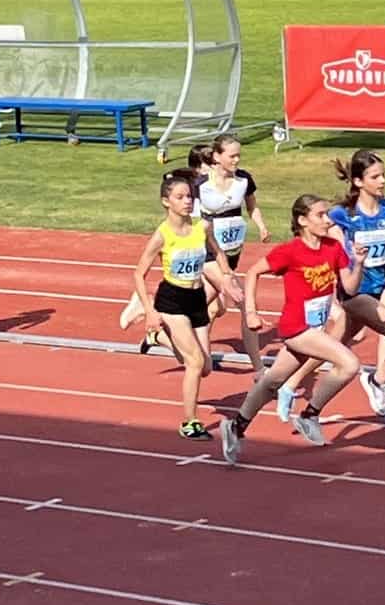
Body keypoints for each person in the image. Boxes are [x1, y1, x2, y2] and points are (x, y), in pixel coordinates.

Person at [276, 150, 385, 437]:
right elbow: (314, 241)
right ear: (358, 181)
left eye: (383, 175)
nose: (382, 181)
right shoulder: (343, 216)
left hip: (379, 287)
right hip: (354, 293)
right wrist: (341, 246)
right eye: (375, 176)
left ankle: (294, 391)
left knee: (333, 344)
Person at [219, 194, 368, 464]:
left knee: (271, 382)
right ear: (302, 221)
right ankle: (310, 415)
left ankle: (236, 425)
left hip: (316, 327)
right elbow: (253, 272)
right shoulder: (290, 251)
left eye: (327, 214)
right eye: (320, 215)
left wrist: (358, 263)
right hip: (297, 327)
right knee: (349, 363)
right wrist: (251, 312)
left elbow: (350, 287)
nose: (327, 220)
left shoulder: (333, 248)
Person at [132, 173, 232, 439]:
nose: (187, 201)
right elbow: (138, 274)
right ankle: (189, 422)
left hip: (196, 298)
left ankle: (157, 338)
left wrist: (228, 277)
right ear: (166, 202)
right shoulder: (162, 235)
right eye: (180, 197)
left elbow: (219, 253)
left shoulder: (202, 228)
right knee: (195, 362)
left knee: (206, 368)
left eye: (189, 196)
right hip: (172, 300)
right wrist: (150, 311)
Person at [196, 134, 270, 372]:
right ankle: (259, 370)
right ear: (217, 157)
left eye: (239, 155)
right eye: (232, 156)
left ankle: (164, 328)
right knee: (242, 301)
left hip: (232, 250)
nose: (237, 160)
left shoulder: (244, 180)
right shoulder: (200, 185)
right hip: (208, 252)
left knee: (204, 304)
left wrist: (260, 225)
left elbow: (252, 205)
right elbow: (194, 222)